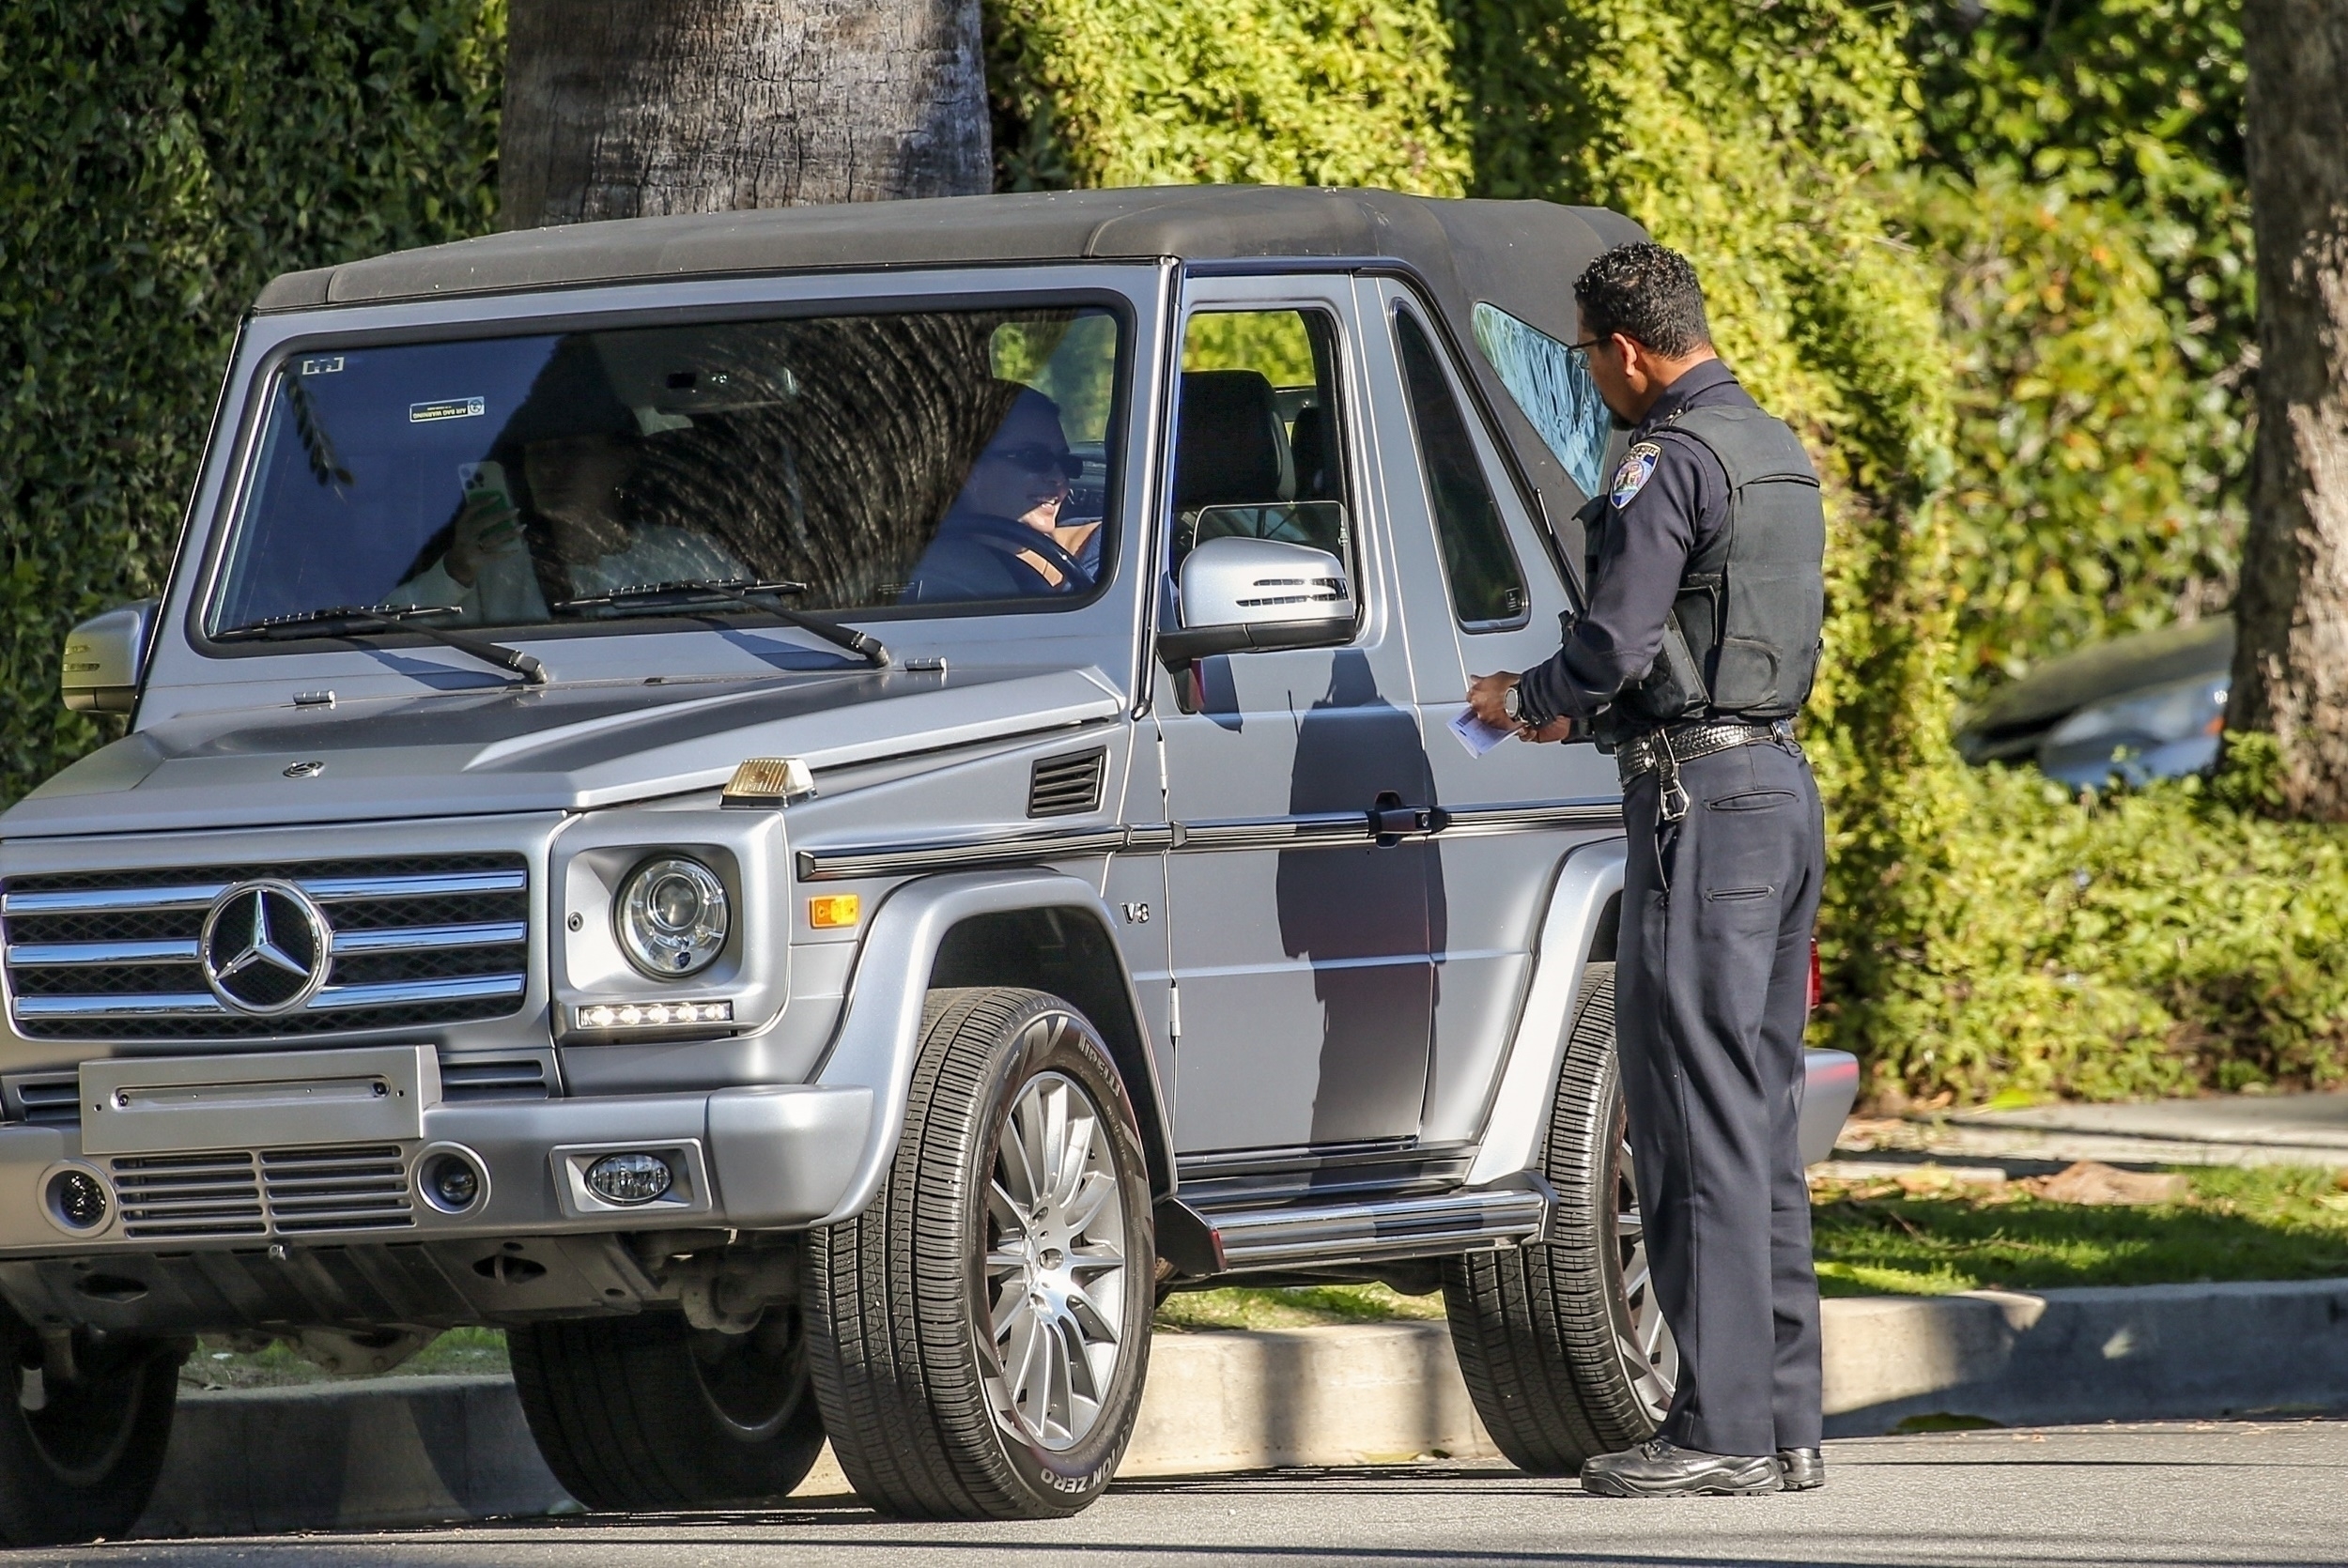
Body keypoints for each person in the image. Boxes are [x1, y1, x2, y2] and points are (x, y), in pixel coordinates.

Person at [1466, 242, 1829, 1499]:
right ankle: (1783, 1420)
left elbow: (1615, 642)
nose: (1592, 376)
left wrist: (1525, 697)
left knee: (1687, 1114)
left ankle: (1716, 1427)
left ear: (1626, 351)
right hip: (1779, 787)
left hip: (1699, 804)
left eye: (1587, 356)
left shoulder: (1660, 460)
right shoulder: (1773, 446)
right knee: (1757, 1111)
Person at [903, 382, 1098, 603]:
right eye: (1035, 458)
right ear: (968, 470)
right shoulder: (908, 571)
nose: (1059, 477)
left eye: (1066, 463)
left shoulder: (1117, 556)